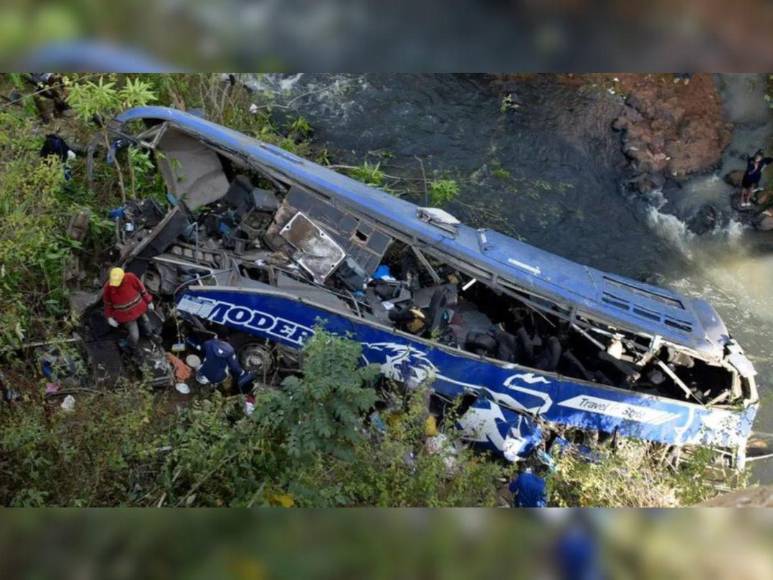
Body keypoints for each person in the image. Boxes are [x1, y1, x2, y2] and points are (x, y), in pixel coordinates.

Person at [102, 267, 154, 349]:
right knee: (134, 336)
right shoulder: (108, 288)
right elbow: (107, 304)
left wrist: (149, 301)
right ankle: (130, 345)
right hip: (126, 316)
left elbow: (142, 289)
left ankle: (150, 337)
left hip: (139, 309)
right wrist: (109, 317)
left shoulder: (130, 277)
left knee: (148, 326)